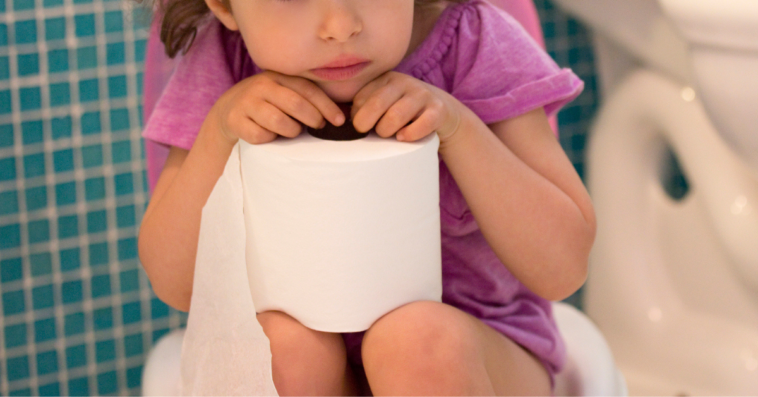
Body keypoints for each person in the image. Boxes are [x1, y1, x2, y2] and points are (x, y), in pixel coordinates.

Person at [137, 0, 596, 395]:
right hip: (316, 366)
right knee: (278, 354)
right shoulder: (222, 62)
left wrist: (458, 128)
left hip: (483, 353)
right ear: (223, 5)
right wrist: (219, 132)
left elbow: (564, 269)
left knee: (415, 342)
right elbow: (174, 284)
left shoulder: (475, 43)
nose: (339, 25)